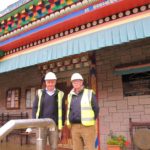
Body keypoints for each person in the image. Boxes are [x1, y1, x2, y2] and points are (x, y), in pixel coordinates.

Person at [32, 72, 65, 150]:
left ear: (55, 82)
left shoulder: (60, 94)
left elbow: (63, 109)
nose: (50, 84)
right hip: (41, 125)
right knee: (40, 147)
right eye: (48, 82)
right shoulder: (40, 93)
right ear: (45, 82)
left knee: (54, 146)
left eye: (52, 81)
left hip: (54, 125)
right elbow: (35, 107)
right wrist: (34, 121)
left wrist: (62, 124)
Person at [66, 73, 99, 150]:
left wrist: (92, 119)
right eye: (74, 81)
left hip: (87, 127)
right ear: (72, 83)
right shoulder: (70, 95)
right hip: (74, 127)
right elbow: (69, 109)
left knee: (89, 148)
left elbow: (96, 108)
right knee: (77, 148)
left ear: (82, 82)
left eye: (77, 81)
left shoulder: (89, 93)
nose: (76, 83)